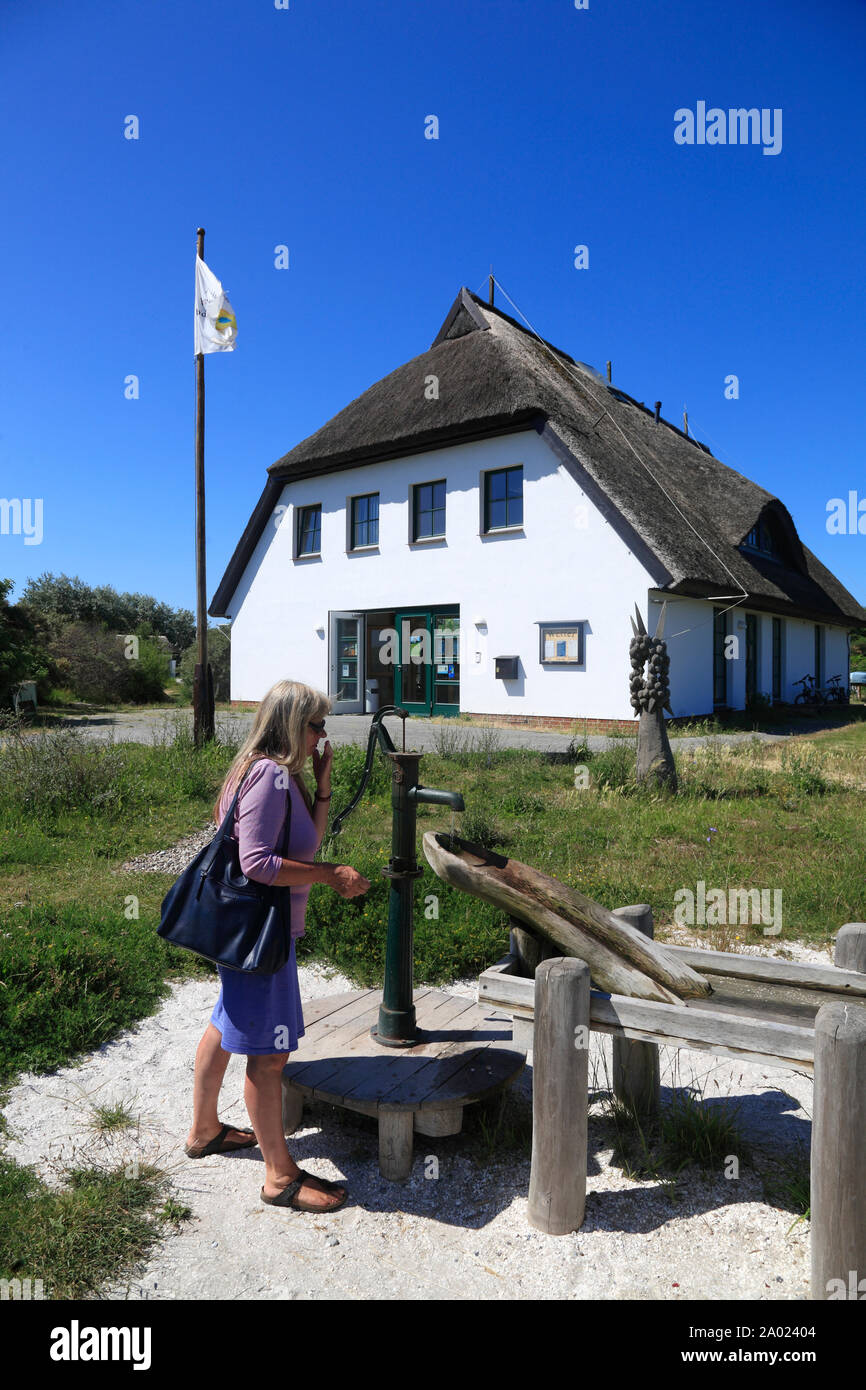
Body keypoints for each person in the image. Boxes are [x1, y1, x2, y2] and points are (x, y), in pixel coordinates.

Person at [184, 679, 370, 1212]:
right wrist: (331, 874)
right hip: (260, 940)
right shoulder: (268, 776)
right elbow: (258, 863)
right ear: (292, 725)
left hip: (239, 933)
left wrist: (324, 784)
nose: (322, 735)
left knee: (225, 1024)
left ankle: (204, 1130)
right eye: (315, 725)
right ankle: (279, 1177)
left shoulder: (264, 770)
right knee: (270, 1057)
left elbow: (305, 839)